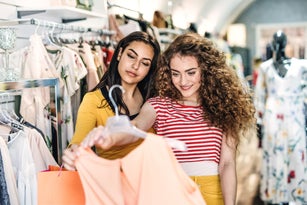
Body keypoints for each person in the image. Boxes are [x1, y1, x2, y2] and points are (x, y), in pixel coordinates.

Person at [63, 32, 256, 205]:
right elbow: (135, 128)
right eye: (175, 74)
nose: (183, 81)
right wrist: (108, 136)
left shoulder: (224, 108)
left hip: (212, 193)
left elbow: (227, 164)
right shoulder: (159, 105)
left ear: (206, 70)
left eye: (191, 72)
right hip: (169, 192)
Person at [63, 31, 161, 160]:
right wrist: (73, 153)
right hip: (111, 178)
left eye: (145, 63)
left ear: (150, 69)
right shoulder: (94, 100)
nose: (135, 66)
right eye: (131, 56)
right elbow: (78, 142)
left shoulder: (154, 99)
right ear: (120, 54)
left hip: (150, 177)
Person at [254, 31, 307, 205]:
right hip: (273, 116)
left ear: (286, 43)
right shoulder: (265, 68)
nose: (279, 44)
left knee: (297, 153)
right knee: (274, 153)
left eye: (281, 41)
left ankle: (297, 194)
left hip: (295, 114)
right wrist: (258, 121)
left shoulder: (301, 66)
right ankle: (276, 195)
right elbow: (259, 96)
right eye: (276, 41)